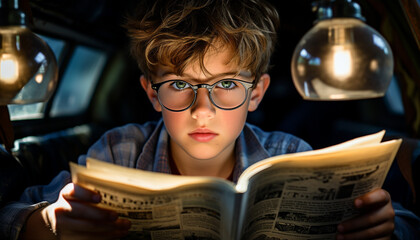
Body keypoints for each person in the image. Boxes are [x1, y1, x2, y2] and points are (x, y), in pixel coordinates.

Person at [0, 0, 419, 239]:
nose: (203, 109)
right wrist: (48, 223)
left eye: (226, 85)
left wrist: (385, 228)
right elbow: (9, 215)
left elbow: (406, 223)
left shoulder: (290, 156)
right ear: (152, 94)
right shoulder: (118, 150)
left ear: (256, 93)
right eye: (180, 86)